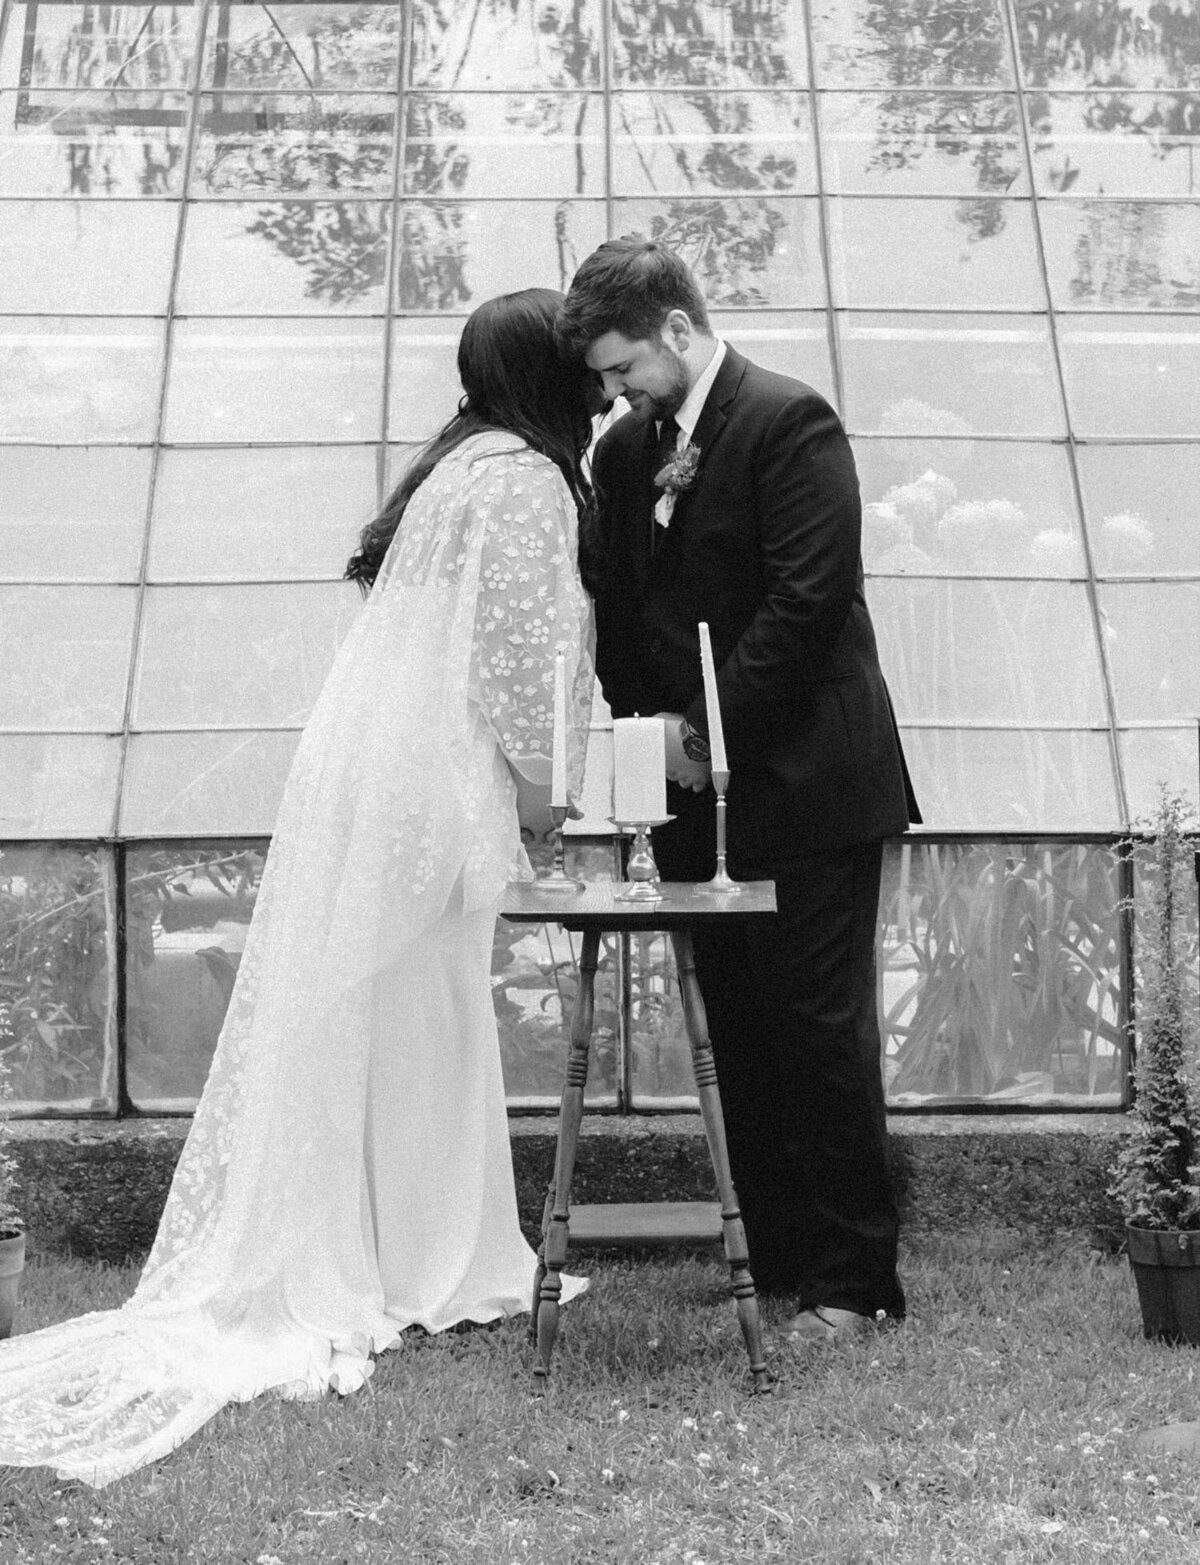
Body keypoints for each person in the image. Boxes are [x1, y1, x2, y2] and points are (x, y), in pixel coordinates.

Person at [0, 288, 596, 1486]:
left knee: (389, 1017)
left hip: (371, 772)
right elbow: (517, 662)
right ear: (550, 375)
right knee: (426, 1016)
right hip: (430, 780)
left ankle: (406, 1248)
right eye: (583, 365)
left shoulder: (453, 468)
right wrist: (549, 791)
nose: (597, 384)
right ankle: (435, 1259)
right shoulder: (524, 478)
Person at [558, 238, 920, 1340]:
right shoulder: (628, 459)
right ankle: (773, 1254)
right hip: (691, 802)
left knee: (819, 1027)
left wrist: (704, 734)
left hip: (809, 782)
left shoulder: (790, 421)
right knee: (739, 1027)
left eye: (624, 369)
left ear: (677, 328)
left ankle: (856, 1284)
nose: (612, 395)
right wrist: (641, 741)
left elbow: (808, 606)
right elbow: (620, 610)